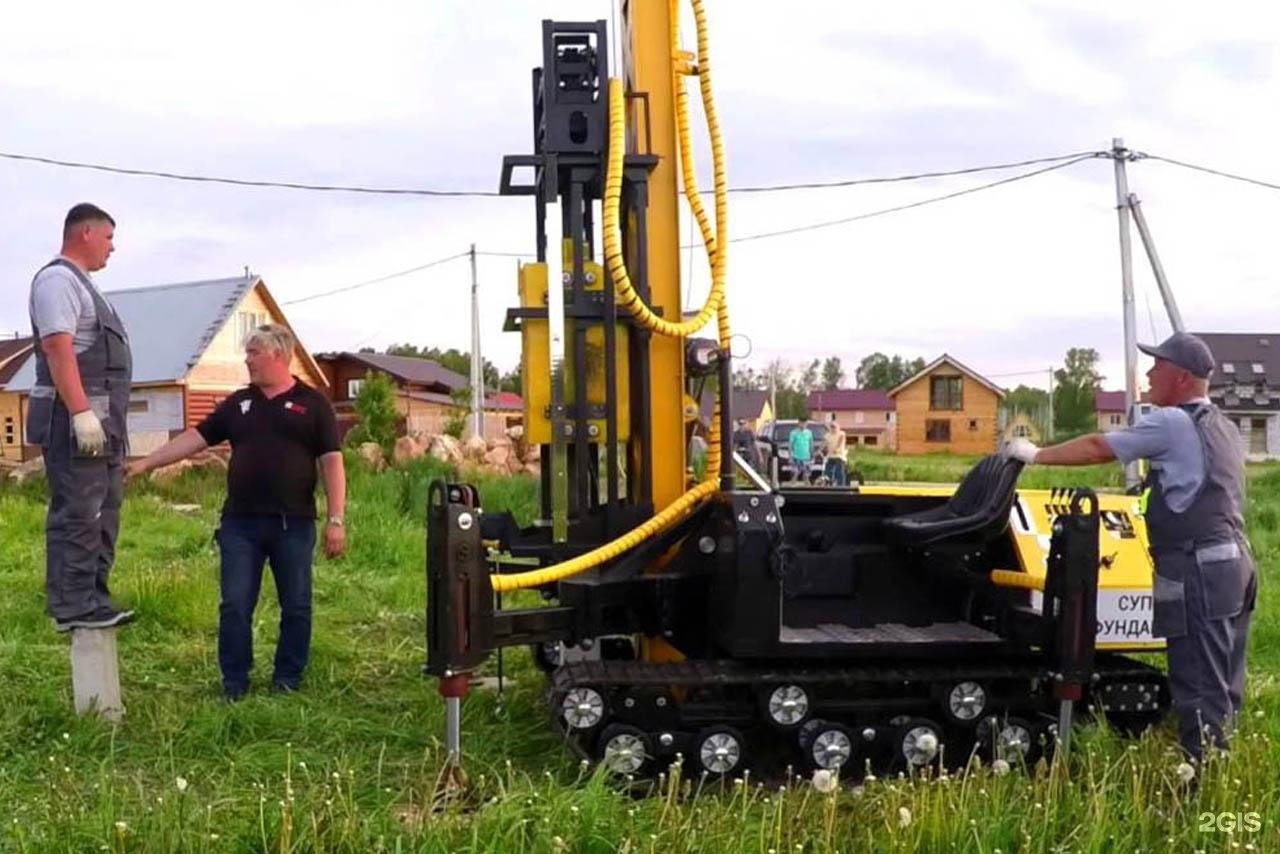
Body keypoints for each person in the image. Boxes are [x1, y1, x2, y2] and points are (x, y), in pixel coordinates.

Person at [1005, 332, 1257, 763]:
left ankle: (1204, 795)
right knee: (1223, 682)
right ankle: (1222, 781)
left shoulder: (1173, 422)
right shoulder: (1224, 427)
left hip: (1197, 567)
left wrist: (1034, 455)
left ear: (1179, 377)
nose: (1149, 373)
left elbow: (1099, 447)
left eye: (1157, 366)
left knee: (1197, 682)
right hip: (1235, 566)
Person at [127, 324, 347, 699]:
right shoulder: (238, 404)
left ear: (279, 355)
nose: (247, 360)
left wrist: (336, 520)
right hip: (240, 525)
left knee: (296, 605)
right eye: (247, 353)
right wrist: (147, 463)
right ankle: (234, 683)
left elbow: (332, 463)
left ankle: (287, 680)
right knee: (234, 604)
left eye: (254, 353)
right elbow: (194, 439)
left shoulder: (313, 404)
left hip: (292, 525)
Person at [27, 203, 135, 632]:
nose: (113, 246)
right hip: (76, 425)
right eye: (109, 237)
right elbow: (58, 348)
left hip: (103, 425)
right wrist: (80, 413)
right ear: (86, 233)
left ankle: (93, 599)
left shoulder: (88, 287)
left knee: (103, 511)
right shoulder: (58, 280)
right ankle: (72, 605)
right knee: (81, 511)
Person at [823, 413, 848, 486]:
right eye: (831, 427)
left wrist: (837, 449)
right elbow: (824, 443)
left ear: (837, 427)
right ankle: (828, 484)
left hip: (839, 456)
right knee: (828, 471)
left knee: (839, 470)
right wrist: (818, 451)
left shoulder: (841, 433)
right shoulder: (828, 435)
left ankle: (841, 485)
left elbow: (841, 441)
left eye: (834, 427)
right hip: (830, 456)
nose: (833, 429)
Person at [789, 418, 814, 483]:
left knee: (806, 475)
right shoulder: (793, 433)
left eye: (805, 423)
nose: (803, 425)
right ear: (799, 423)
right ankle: (791, 487)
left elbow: (811, 444)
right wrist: (790, 456)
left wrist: (812, 455)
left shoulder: (809, 433)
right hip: (796, 457)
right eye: (801, 423)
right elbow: (790, 445)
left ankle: (808, 490)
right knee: (795, 473)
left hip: (806, 457)